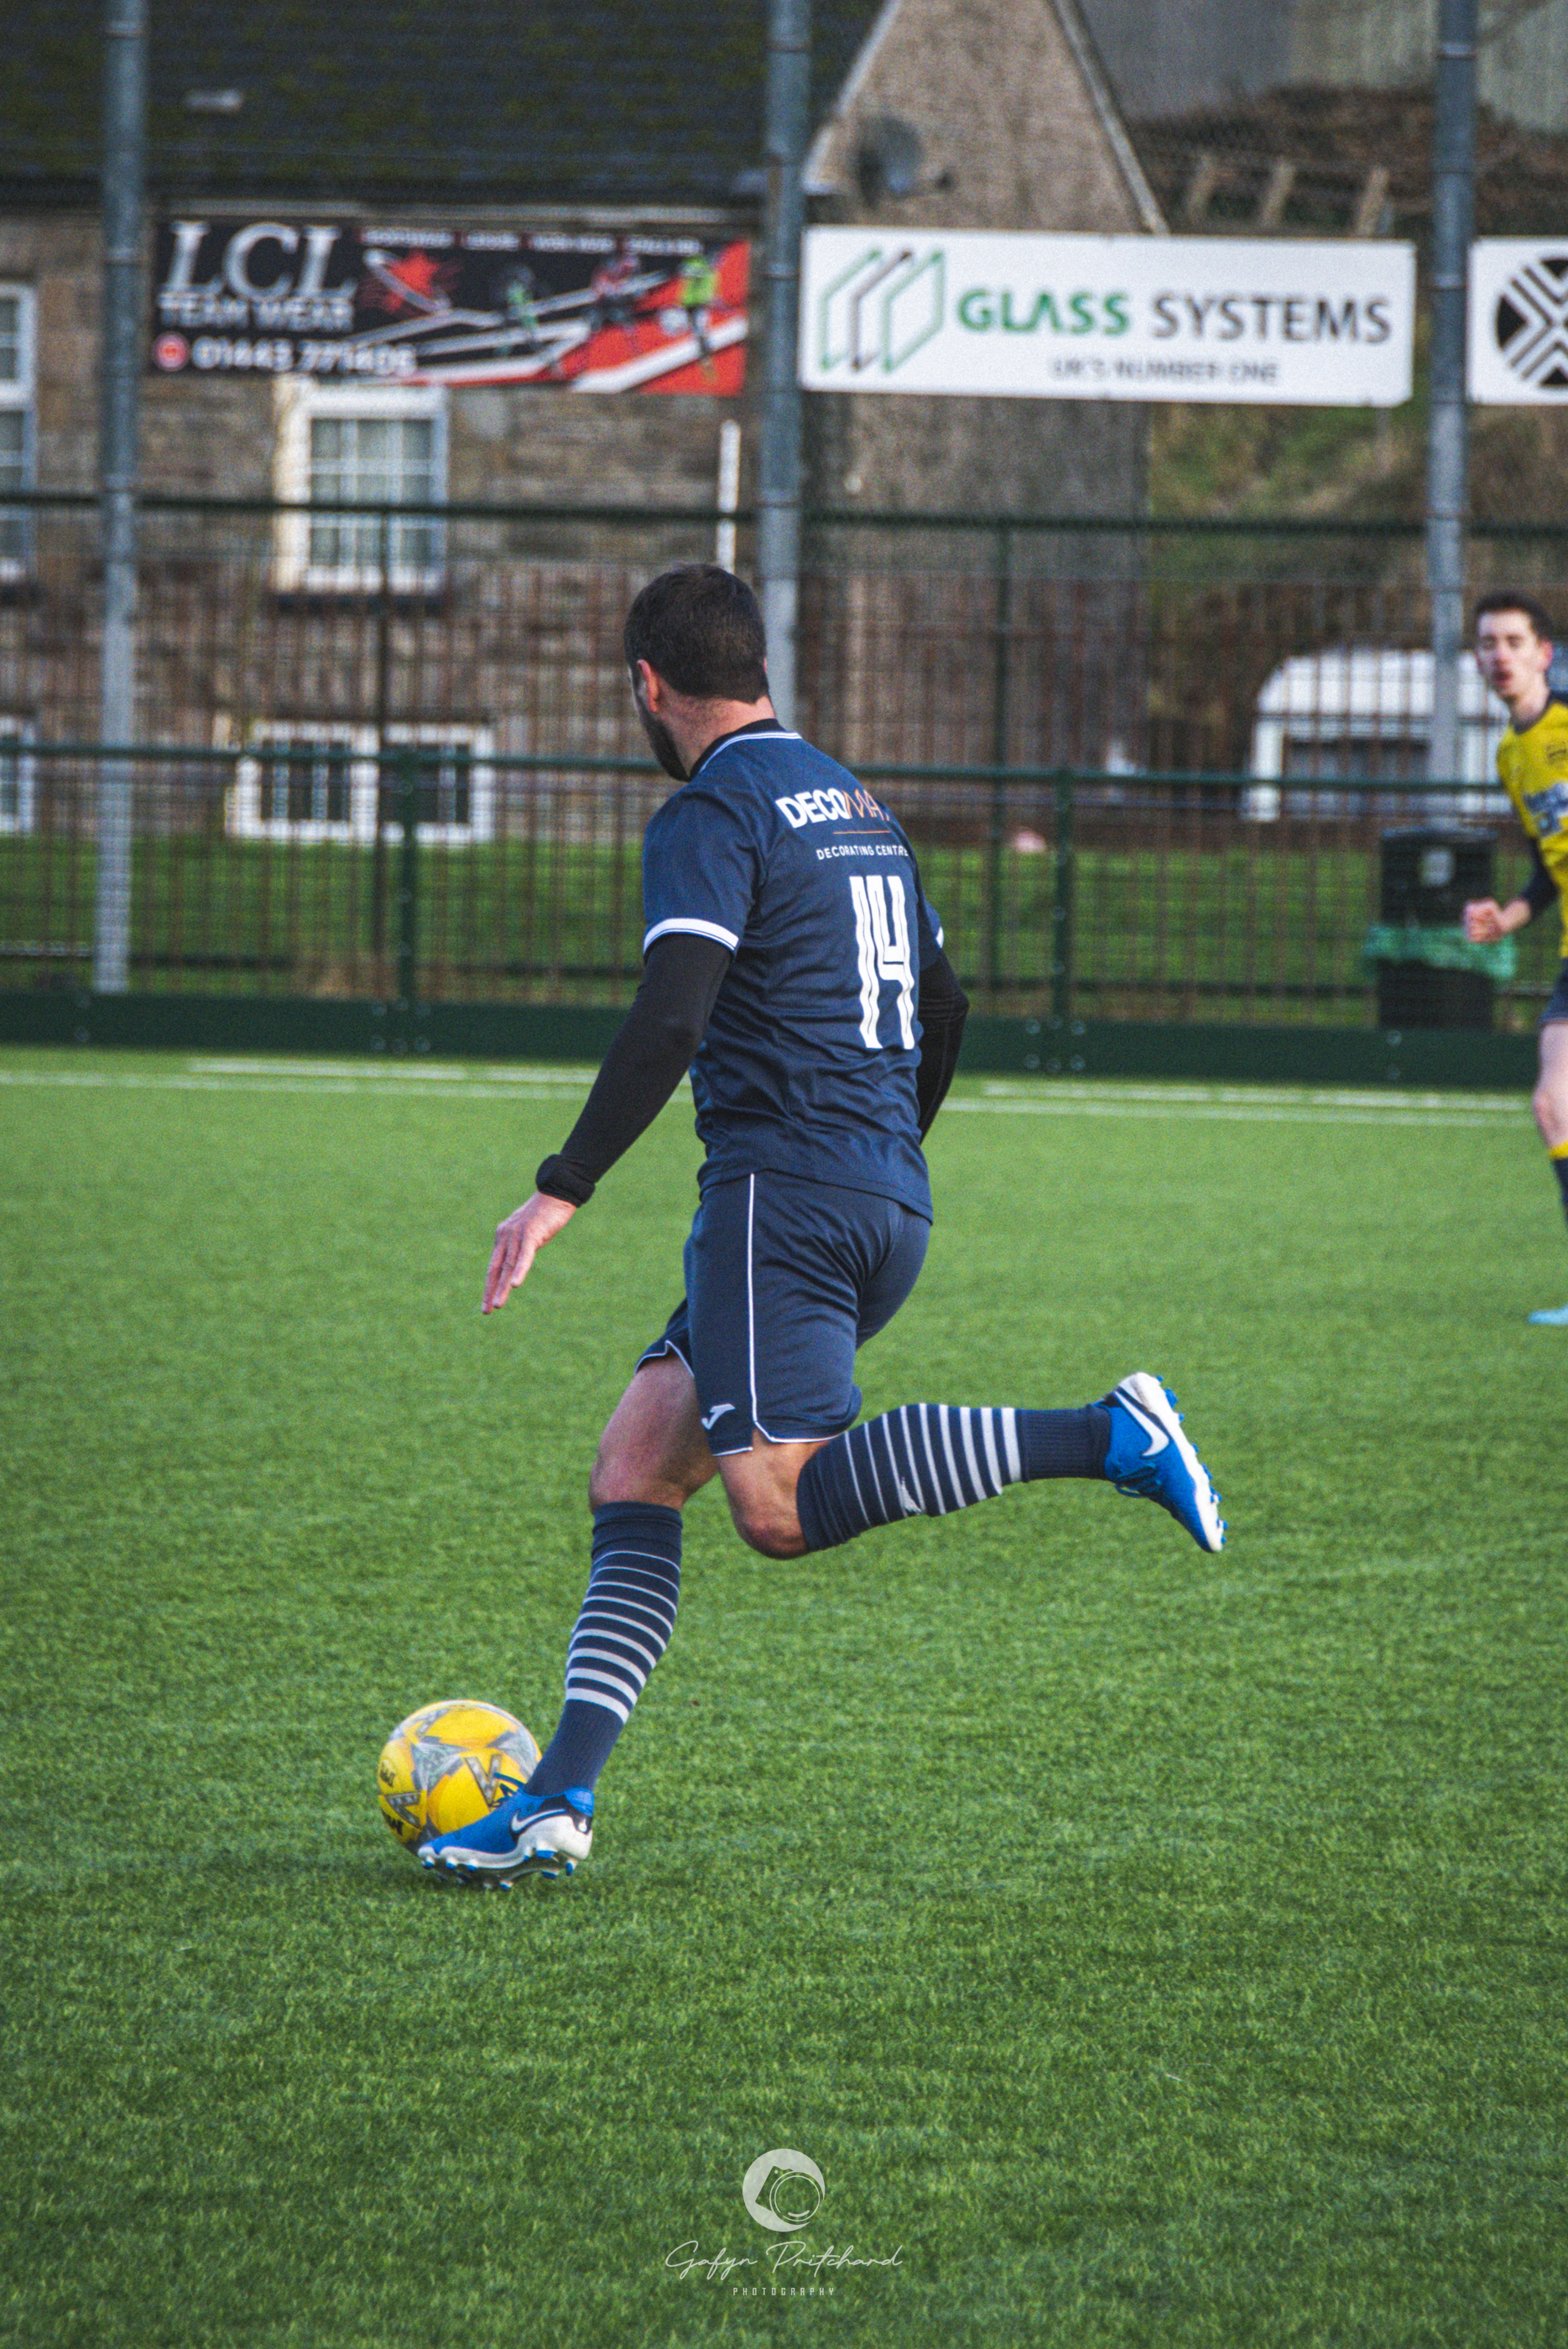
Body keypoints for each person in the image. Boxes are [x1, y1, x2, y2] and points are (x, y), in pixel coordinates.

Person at [420, 565, 1225, 1888]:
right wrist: (882, 1150)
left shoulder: (712, 809)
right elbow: (946, 1003)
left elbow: (672, 1015)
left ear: (647, 685)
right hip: (879, 1190)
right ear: (760, 668)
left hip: (779, 1196)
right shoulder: (856, 803)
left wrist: (563, 1183)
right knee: (635, 1468)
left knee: (777, 1507)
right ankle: (555, 1802)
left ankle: (1106, 1435)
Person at [1462, 591, 1568, 1324]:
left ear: (1543, 654)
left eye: (1512, 641)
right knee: (1552, 1106)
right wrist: (1509, 916)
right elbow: (1545, 868)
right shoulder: (1510, 754)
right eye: (1486, 643)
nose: (1498, 654)